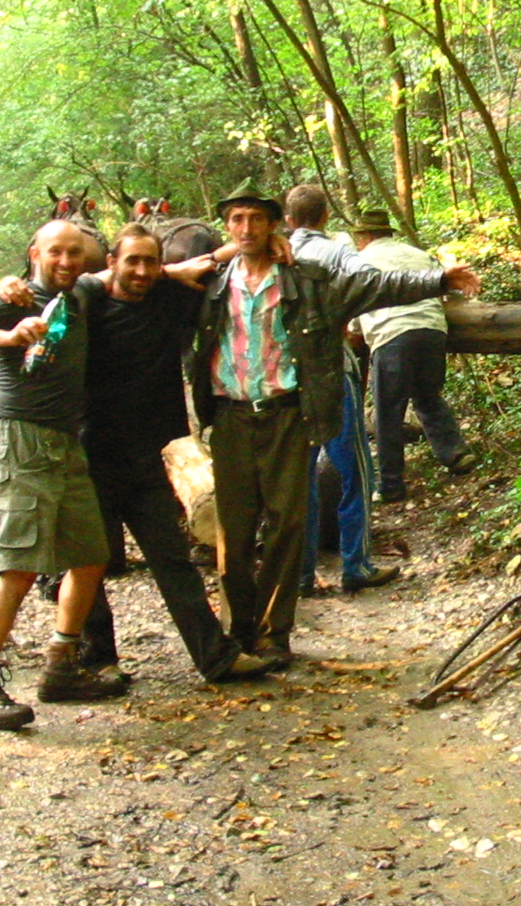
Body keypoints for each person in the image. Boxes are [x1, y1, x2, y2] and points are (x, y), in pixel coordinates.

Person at [188, 180, 481, 671]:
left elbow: (374, 286)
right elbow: (142, 278)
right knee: (234, 533)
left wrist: (437, 279)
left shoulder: (307, 280)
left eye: (256, 219)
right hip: (231, 416)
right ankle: (238, 632)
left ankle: (273, 634)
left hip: (286, 415)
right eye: (237, 219)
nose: (246, 228)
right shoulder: (210, 285)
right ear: (226, 227)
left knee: (286, 525)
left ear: (275, 225)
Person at [0, 224, 267, 685]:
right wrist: (7, 285)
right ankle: (96, 658)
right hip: (89, 455)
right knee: (88, 564)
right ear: (111, 263)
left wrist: (274, 239)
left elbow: (218, 259)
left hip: (149, 459)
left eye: (150, 262)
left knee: (173, 560)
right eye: (132, 261)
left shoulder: (170, 298)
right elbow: (40, 295)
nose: (141, 270)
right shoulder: (85, 301)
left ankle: (215, 657)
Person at [0, 220, 126, 730]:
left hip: (65, 443)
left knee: (90, 557)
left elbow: (139, 270)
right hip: (20, 441)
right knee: (18, 569)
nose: (65, 261)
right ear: (35, 253)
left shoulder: (81, 292)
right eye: (55, 252)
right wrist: (8, 334)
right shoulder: (14, 300)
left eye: (74, 253)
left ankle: (62, 666)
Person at [282, 185, 391, 595]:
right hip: (332, 372)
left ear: (288, 220)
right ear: (325, 216)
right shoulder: (336, 250)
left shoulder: (273, 255)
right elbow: (367, 279)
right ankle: (355, 565)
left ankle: (302, 574)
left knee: (301, 476)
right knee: (355, 470)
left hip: (289, 379)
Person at [348, 209, 477, 503]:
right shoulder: (419, 255)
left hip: (392, 335)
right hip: (432, 330)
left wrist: (355, 329)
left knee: (388, 411)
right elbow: (444, 289)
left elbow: (355, 305)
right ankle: (456, 454)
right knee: (428, 396)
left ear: (364, 236)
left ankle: (391, 484)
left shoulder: (360, 262)